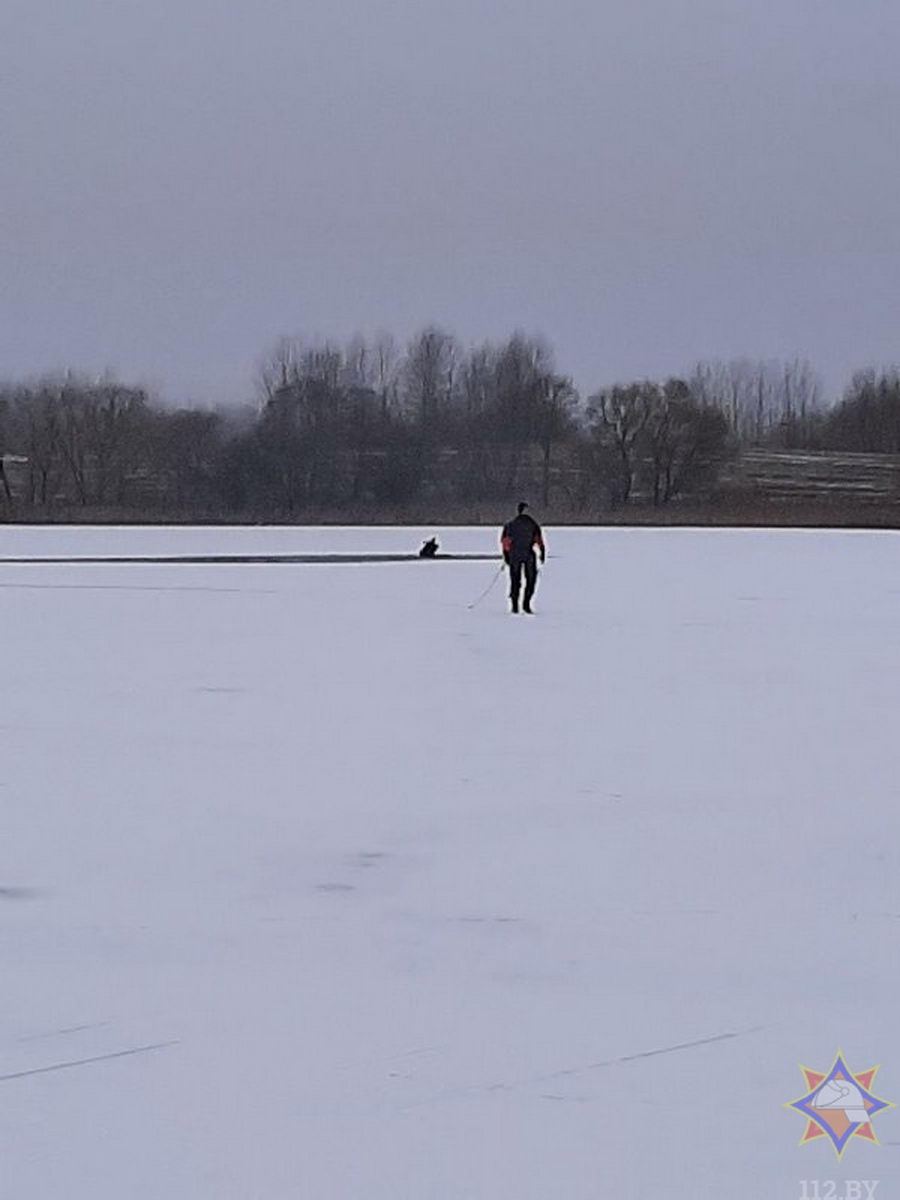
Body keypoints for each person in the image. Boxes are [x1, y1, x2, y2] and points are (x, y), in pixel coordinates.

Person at [500, 502, 545, 613]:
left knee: (515, 581)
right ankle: (526, 604)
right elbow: (539, 540)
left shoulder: (510, 525)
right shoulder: (533, 525)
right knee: (530, 580)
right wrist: (542, 552)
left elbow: (505, 542)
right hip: (528, 555)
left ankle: (515, 606)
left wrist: (506, 556)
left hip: (514, 555)